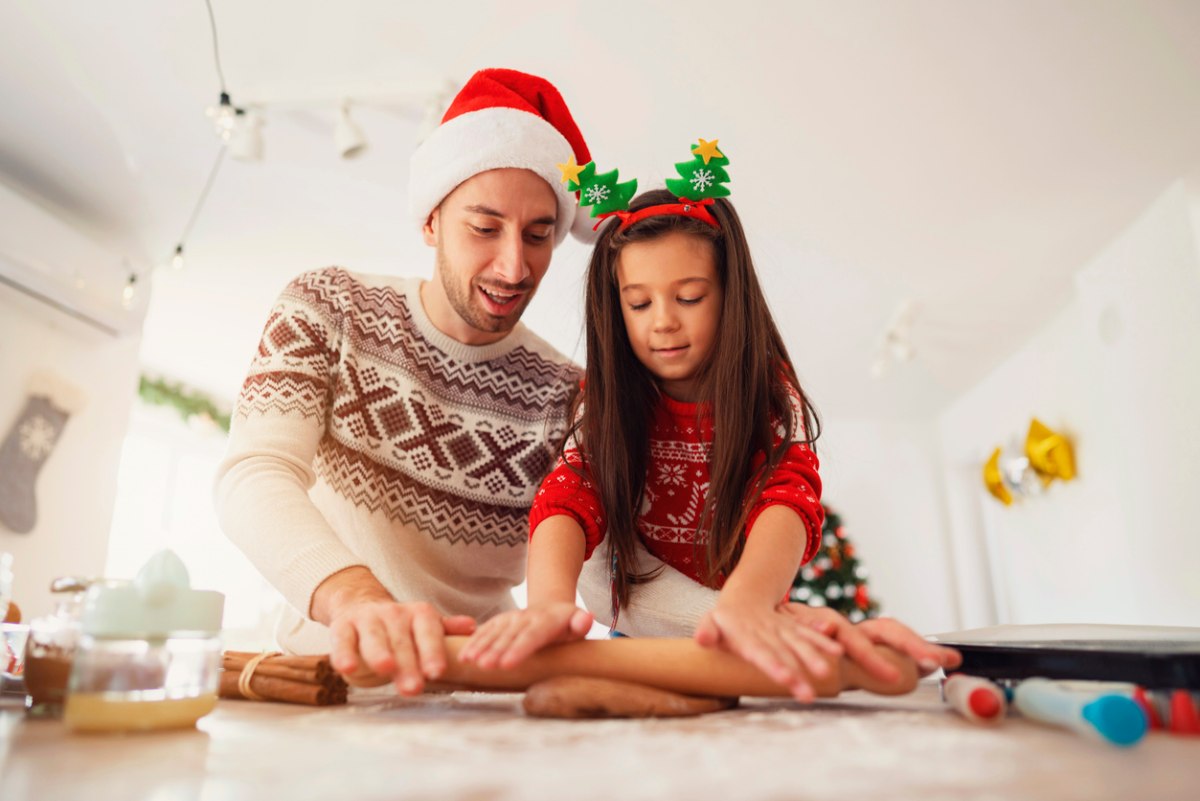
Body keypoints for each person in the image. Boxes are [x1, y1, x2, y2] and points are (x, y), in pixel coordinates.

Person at [460, 164, 961, 699]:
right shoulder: (605, 406)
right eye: (639, 303)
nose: (663, 322)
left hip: (741, 636)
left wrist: (746, 603)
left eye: (690, 297)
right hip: (634, 636)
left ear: (729, 295)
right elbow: (567, 498)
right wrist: (549, 608)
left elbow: (786, 498)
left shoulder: (767, 395)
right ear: (616, 308)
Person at [214, 68, 599, 696]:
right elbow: (252, 474)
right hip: (319, 686)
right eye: (484, 227)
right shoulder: (327, 308)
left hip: (480, 704)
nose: (514, 265)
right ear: (430, 222)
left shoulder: (570, 396)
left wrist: (747, 611)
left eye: (539, 235)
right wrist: (355, 598)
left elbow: (607, 571)